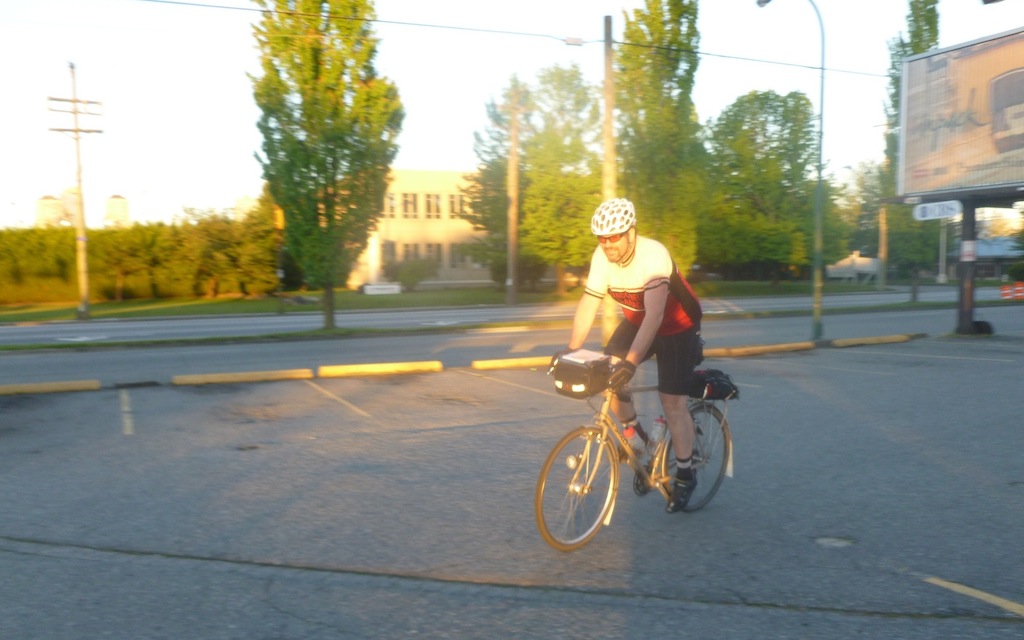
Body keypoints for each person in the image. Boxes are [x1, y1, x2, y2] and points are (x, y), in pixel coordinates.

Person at [554, 197, 703, 513]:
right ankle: (637, 439)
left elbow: (655, 316)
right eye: (602, 238)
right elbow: (589, 302)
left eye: (615, 236)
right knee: (606, 375)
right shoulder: (602, 257)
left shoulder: (653, 256)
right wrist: (571, 349)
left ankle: (686, 475)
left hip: (677, 326)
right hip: (638, 321)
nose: (608, 244)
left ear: (631, 232)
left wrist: (631, 363)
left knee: (671, 402)